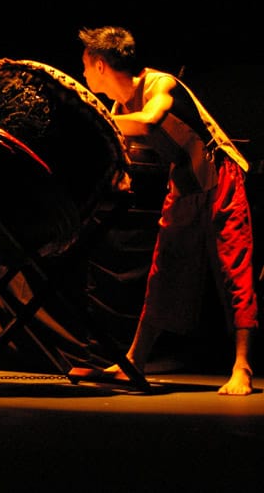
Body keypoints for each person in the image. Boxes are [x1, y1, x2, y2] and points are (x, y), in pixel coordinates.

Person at [79, 26, 256, 395]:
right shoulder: (118, 107)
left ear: (99, 64)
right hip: (184, 187)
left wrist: (92, 122)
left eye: (84, 65)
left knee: (233, 268)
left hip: (220, 175)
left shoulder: (160, 85)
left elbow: (149, 121)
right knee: (164, 272)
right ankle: (135, 361)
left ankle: (243, 366)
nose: (82, 74)